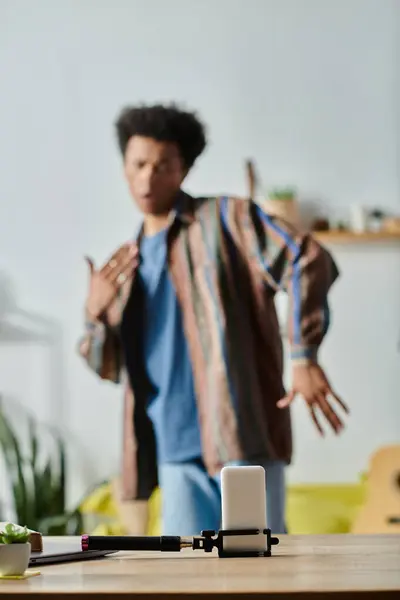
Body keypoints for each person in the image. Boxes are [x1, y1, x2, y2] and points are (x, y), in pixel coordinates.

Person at [79, 104, 349, 536]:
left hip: (241, 436)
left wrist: (303, 355)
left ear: (183, 169)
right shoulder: (121, 268)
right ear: (125, 168)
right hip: (171, 450)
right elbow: (107, 370)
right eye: (138, 164)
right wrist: (95, 315)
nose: (148, 178)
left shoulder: (229, 220)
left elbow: (307, 258)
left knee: (260, 577)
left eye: (163, 165)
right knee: (188, 584)